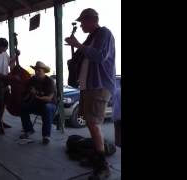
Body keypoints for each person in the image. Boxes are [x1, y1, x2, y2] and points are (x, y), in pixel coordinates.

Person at [65, 8, 116, 179]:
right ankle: (96, 156)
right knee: (90, 123)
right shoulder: (92, 37)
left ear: (91, 20)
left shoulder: (104, 33)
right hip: (89, 86)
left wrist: (78, 45)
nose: (80, 25)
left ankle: (103, 167)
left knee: (93, 123)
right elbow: (83, 56)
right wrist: (77, 47)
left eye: (82, 22)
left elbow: (100, 56)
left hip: (99, 86)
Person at [19, 61, 57, 145]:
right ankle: (28, 130)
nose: (36, 72)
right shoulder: (32, 80)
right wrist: (27, 92)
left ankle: (46, 136)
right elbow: (25, 93)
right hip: (37, 104)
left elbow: (49, 99)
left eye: (39, 70)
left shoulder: (49, 81)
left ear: (44, 71)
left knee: (46, 108)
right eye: (36, 70)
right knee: (22, 107)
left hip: (50, 105)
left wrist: (35, 95)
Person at [0, 38, 17, 135]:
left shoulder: (4, 53)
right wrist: (8, 77)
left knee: (5, 101)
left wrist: (16, 56)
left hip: (5, 80)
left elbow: (10, 63)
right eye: (4, 48)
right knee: (0, 103)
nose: (5, 49)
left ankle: (1, 121)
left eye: (6, 48)